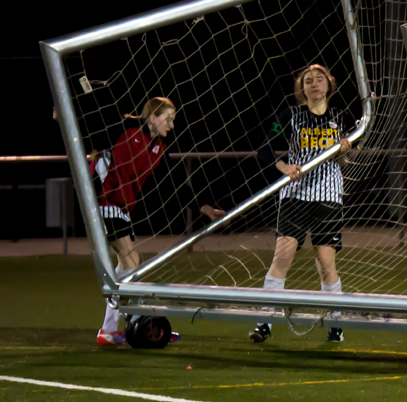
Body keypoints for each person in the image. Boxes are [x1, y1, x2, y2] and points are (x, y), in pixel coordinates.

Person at [95, 97, 226, 345]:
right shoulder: (125, 127)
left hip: (121, 207)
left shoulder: (158, 146)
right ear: (154, 116)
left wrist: (202, 206)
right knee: (132, 262)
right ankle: (139, 321)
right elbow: (95, 128)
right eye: (169, 118)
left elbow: (174, 181)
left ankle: (110, 328)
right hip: (103, 201)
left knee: (128, 264)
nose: (172, 124)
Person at [250, 65, 352, 344]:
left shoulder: (339, 117)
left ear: (329, 85)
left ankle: (335, 323)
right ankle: (264, 322)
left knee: (325, 262)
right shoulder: (290, 115)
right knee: (282, 257)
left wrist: (344, 153)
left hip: (329, 197)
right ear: (302, 89)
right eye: (308, 81)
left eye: (320, 79)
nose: (315, 84)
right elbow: (264, 147)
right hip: (295, 195)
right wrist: (283, 166)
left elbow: (342, 162)